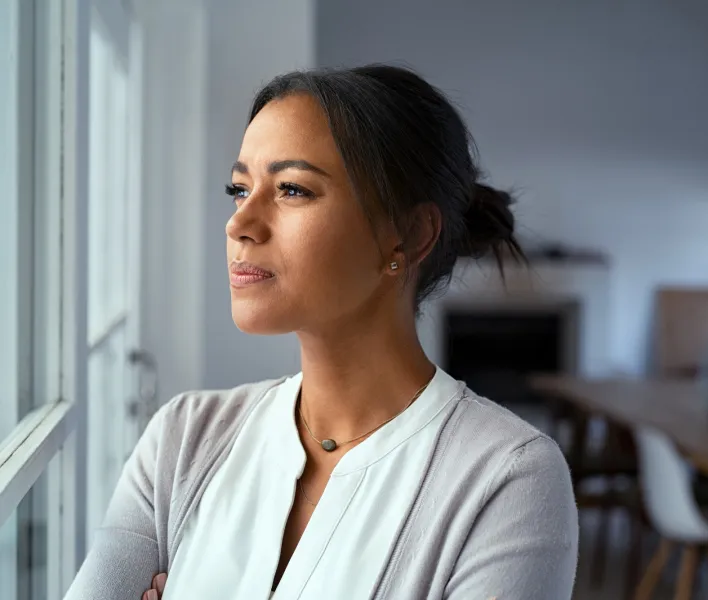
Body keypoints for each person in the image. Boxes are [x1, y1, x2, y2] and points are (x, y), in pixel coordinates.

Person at [64, 65, 578, 600]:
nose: (239, 223)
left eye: (291, 189)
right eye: (239, 189)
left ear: (408, 235)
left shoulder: (508, 480)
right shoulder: (183, 439)